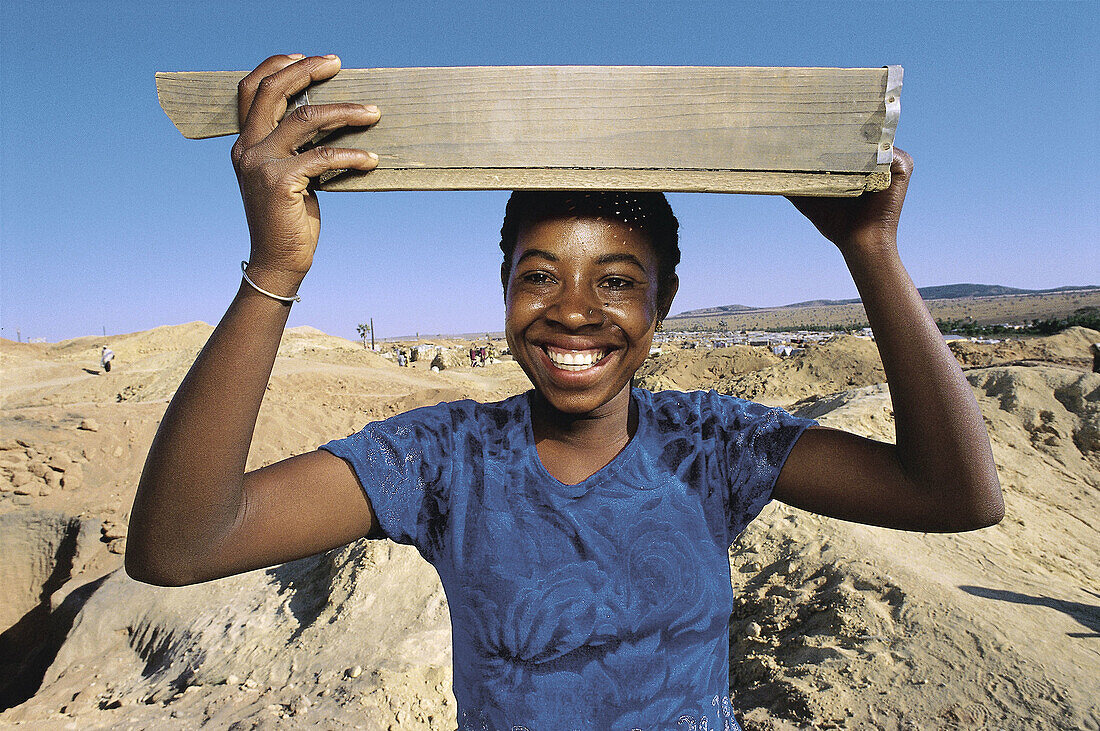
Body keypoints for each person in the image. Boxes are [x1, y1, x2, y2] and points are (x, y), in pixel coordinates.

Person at [126, 55, 1003, 729]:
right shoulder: (441, 461)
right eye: (539, 275)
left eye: (617, 282)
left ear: (662, 306)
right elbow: (180, 544)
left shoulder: (713, 446)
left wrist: (872, 253)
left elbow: (953, 494)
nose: (574, 311)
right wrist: (275, 267)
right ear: (503, 287)